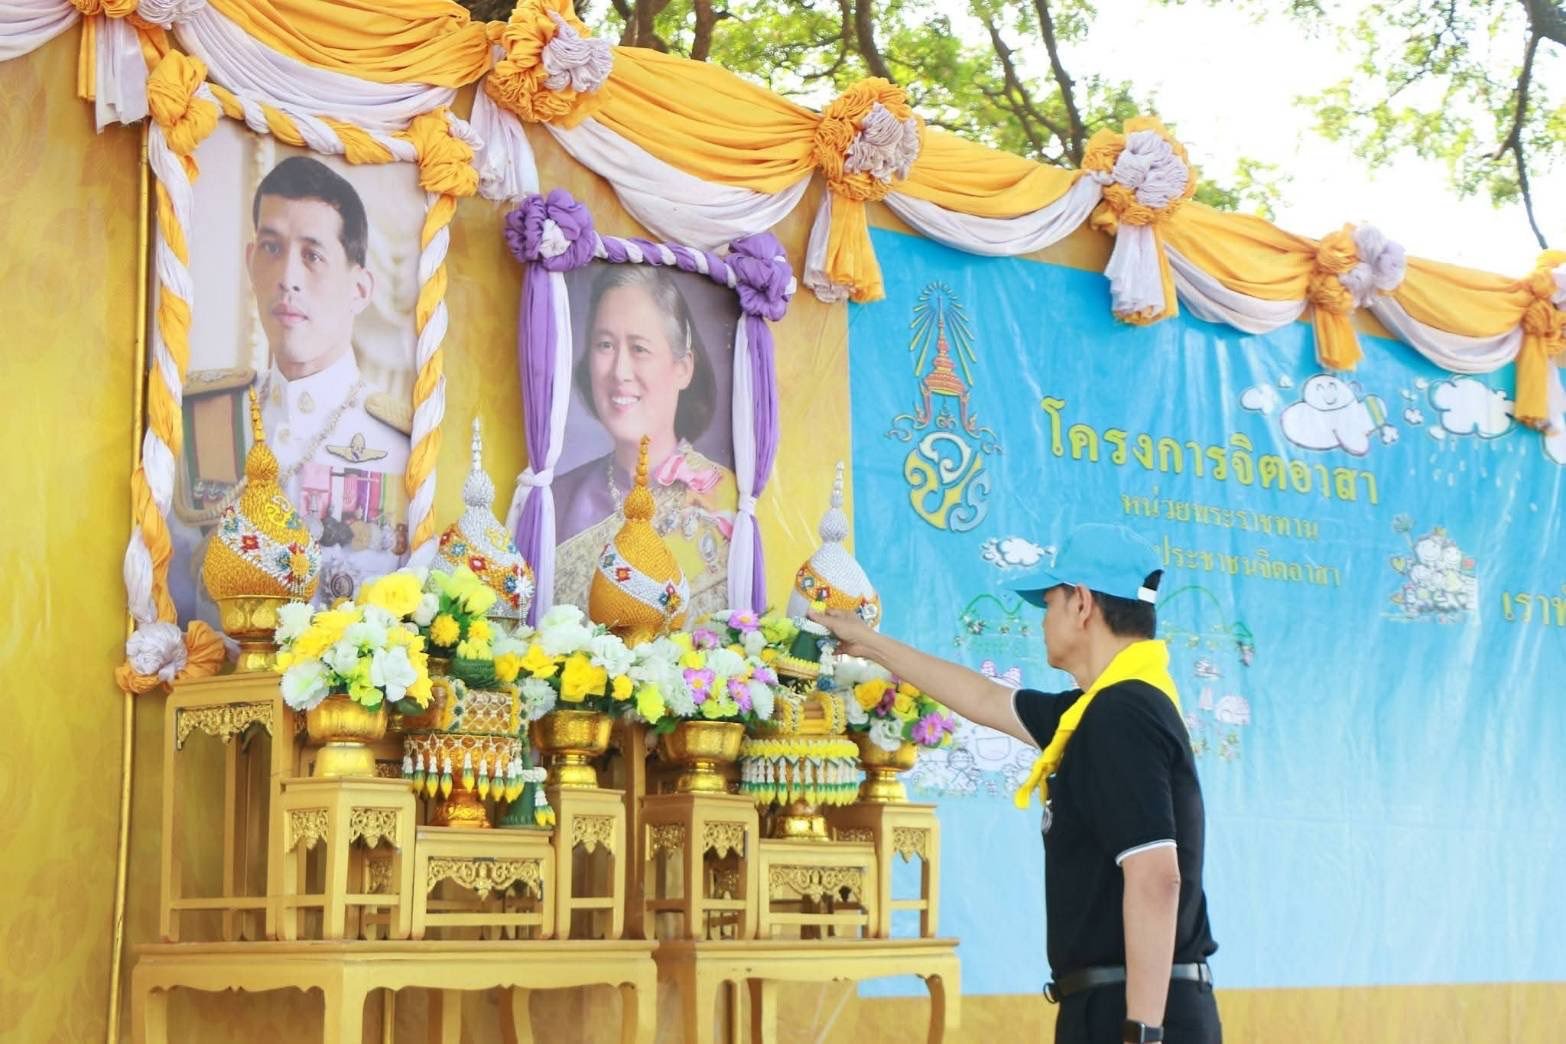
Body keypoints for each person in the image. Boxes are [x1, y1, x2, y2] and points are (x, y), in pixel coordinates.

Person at [811, 523, 1221, 1044]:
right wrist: (869, 643)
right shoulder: (1098, 712)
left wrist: (1142, 1032)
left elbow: (1156, 877)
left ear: (1082, 604)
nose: (1043, 621)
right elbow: (984, 699)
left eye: (1048, 603)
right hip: (1109, 1005)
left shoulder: (1122, 714)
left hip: (1133, 1012)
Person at [552, 265, 737, 617]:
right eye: (605, 345)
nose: (619, 371)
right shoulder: (554, 501)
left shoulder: (728, 498)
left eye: (639, 348)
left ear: (683, 368)